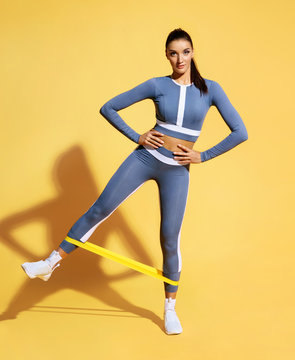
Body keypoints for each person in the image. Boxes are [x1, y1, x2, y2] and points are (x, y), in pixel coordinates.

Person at [21, 28, 248, 335]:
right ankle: (50, 263)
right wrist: (137, 136)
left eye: (184, 51)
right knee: (100, 208)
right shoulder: (157, 84)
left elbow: (240, 132)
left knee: (169, 236)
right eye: (173, 53)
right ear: (166, 55)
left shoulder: (211, 90)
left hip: (177, 170)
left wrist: (203, 156)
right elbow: (108, 107)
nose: (179, 58)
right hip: (145, 158)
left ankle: (169, 308)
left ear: (193, 52)